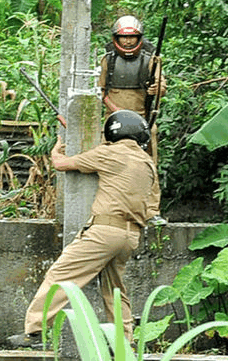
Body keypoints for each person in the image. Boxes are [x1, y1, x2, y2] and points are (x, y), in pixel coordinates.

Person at [7, 110, 156, 348]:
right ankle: (124, 342)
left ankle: (35, 332)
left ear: (112, 133)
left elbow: (61, 164)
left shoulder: (108, 153)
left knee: (61, 276)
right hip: (130, 235)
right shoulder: (147, 162)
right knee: (115, 289)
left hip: (104, 231)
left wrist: (58, 148)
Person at [98, 15, 167, 226]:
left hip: (143, 121)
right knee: (106, 164)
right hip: (113, 121)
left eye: (132, 38)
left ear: (139, 38)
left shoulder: (151, 60)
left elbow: (161, 87)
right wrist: (116, 110)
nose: (128, 42)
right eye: (123, 38)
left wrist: (157, 89)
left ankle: (151, 211)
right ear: (116, 38)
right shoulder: (107, 60)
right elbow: (100, 91)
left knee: (148, 166)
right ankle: (107, 211)